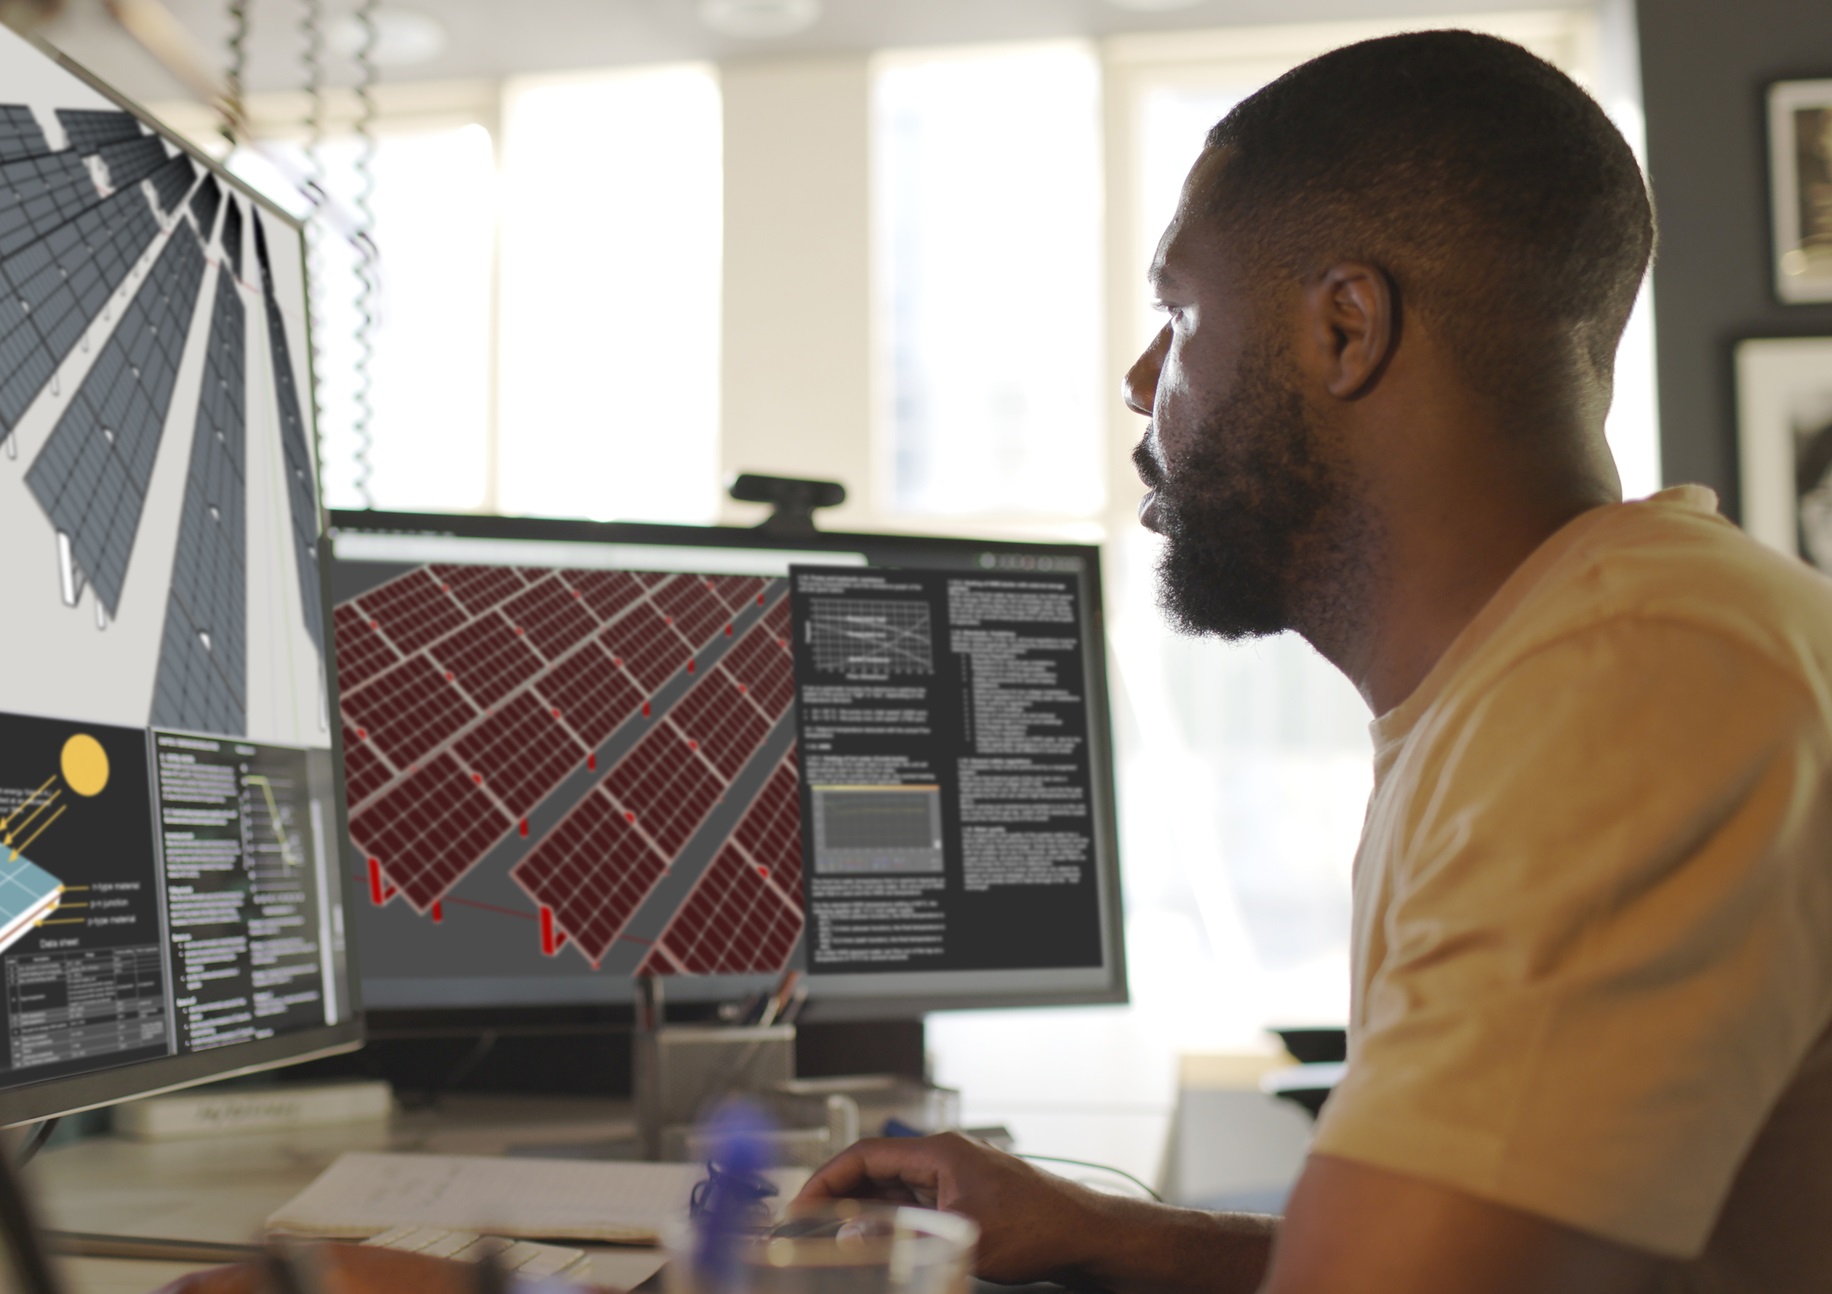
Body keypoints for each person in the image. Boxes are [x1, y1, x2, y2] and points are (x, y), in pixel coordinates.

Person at [798, 29, 1832, 1294]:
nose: (1138, 381)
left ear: (1346, 328)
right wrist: (1127, 1237)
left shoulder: (1624, 684)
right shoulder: (1550, 664)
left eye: (1176, 314)